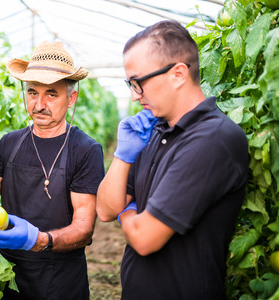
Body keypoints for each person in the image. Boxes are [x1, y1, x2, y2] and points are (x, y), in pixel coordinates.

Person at [96, 20, 249, 299]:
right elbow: (105, 210)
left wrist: (128, 211)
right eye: (130, 84)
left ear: (178, 73)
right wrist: (122, 154)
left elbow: (144, 238)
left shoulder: (213, 139)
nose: (134, 95)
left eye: (138, 82)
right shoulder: (155, 131)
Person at [0, 41, 105, 299]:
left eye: (51, 94)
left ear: (71, 98)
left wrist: (39, 240)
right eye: (32, 92)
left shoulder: (85, 150)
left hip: (61, 279)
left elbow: (84, 228)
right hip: (9, 274)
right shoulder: (9, 143)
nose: (39, 104)